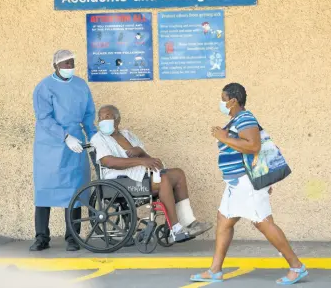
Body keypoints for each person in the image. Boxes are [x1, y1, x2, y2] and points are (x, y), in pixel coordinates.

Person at [190, 83, 307, 285]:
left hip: (245, 182)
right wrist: (225, 136)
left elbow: (253, 146)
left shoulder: (245, 118)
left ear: (233, 100)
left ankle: (296, 266)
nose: (222, 102)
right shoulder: (236, 120)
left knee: (263, 223)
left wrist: (223, 137)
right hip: (235, 183)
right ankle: (215, 270)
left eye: (223, 98)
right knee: (224, 219)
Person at [90, 105, 213, 241]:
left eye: (107, 116)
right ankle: (175, 229)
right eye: (100, 117)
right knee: (164, 179)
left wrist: (143, 155)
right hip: (118, 179)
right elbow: (109, 162)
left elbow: (145, 158)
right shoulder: (98, 138)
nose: (102, 120)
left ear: (117, 120)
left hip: (139, 174)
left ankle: (188, 222)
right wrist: (140, 162)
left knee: (178, 174)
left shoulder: (128, 135)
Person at [30, 50, 97, 252]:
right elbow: (44, 118)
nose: (70, 67)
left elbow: (88, 114)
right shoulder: (44, 87)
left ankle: (73, 237)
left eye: (72, 63)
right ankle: (41, 237)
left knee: (73, 191)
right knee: (44, 191)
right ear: (56, 66)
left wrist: (93, 137)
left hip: (75, 143)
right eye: (66, 64)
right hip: (49, 145)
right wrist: (64, 137)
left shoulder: (81, 85)